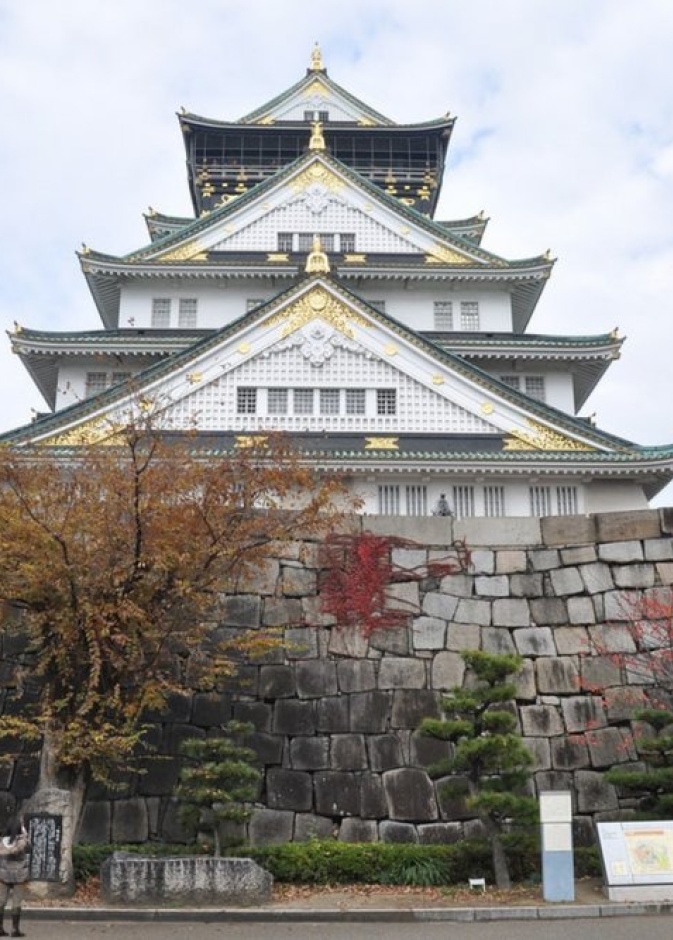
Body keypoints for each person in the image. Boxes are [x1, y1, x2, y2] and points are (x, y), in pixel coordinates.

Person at [0, 817, 31, 937]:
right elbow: (28, 848)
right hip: (19, 876)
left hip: (3, 875)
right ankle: (15, 929)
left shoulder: (2, 840)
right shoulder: (23, 840)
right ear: (19, 827)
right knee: (16, 901)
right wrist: (25, 834)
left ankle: (0, 928)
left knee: (1, 901)